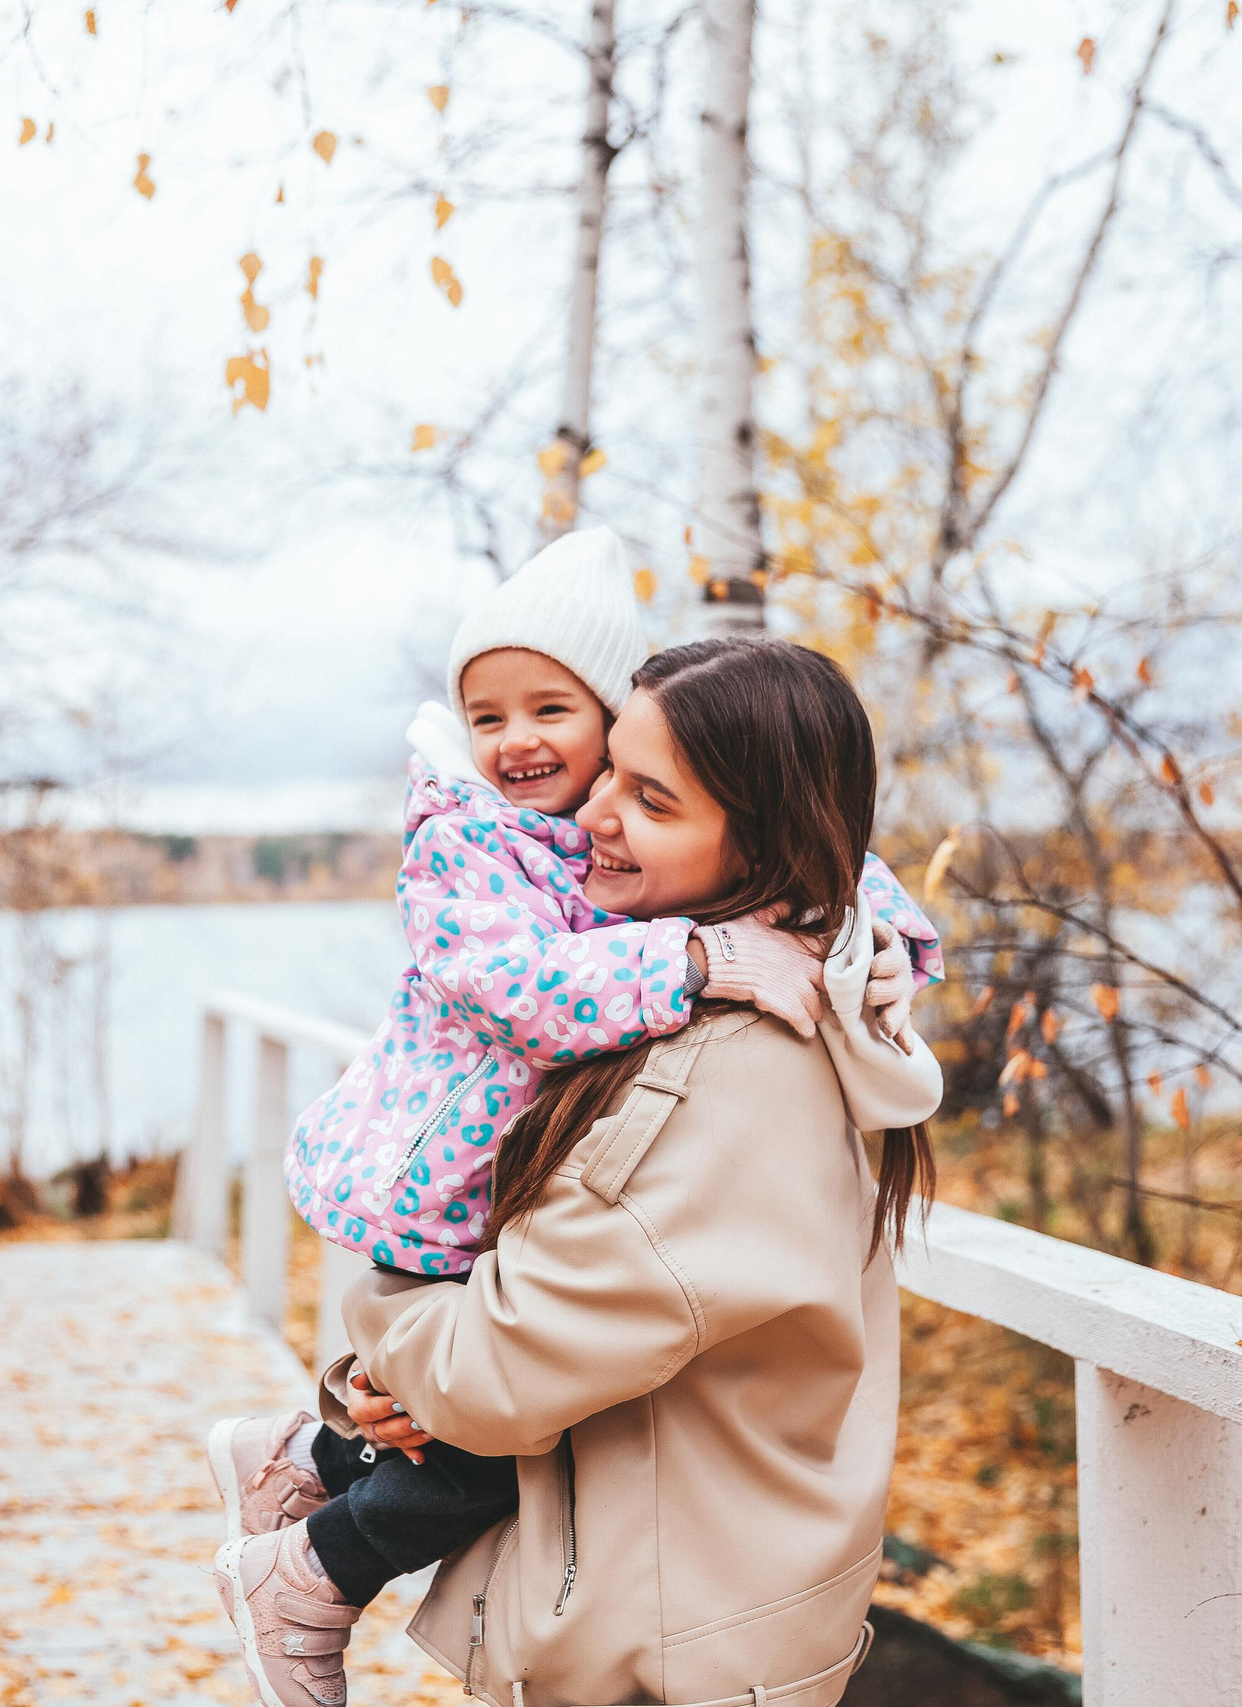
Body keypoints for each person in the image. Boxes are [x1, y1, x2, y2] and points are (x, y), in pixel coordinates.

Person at [203, 541, 941, 1707]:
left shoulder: (726, 1061)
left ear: (760, 835)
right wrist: (374, 1382)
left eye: (646, 796)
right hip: (689, 1595)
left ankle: (310, 1537)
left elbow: (494, 1373)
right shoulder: (732, 976)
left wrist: (375, 1332)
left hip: (664, 1638)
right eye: (613, 777)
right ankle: (310, 1467)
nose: (589, 813)